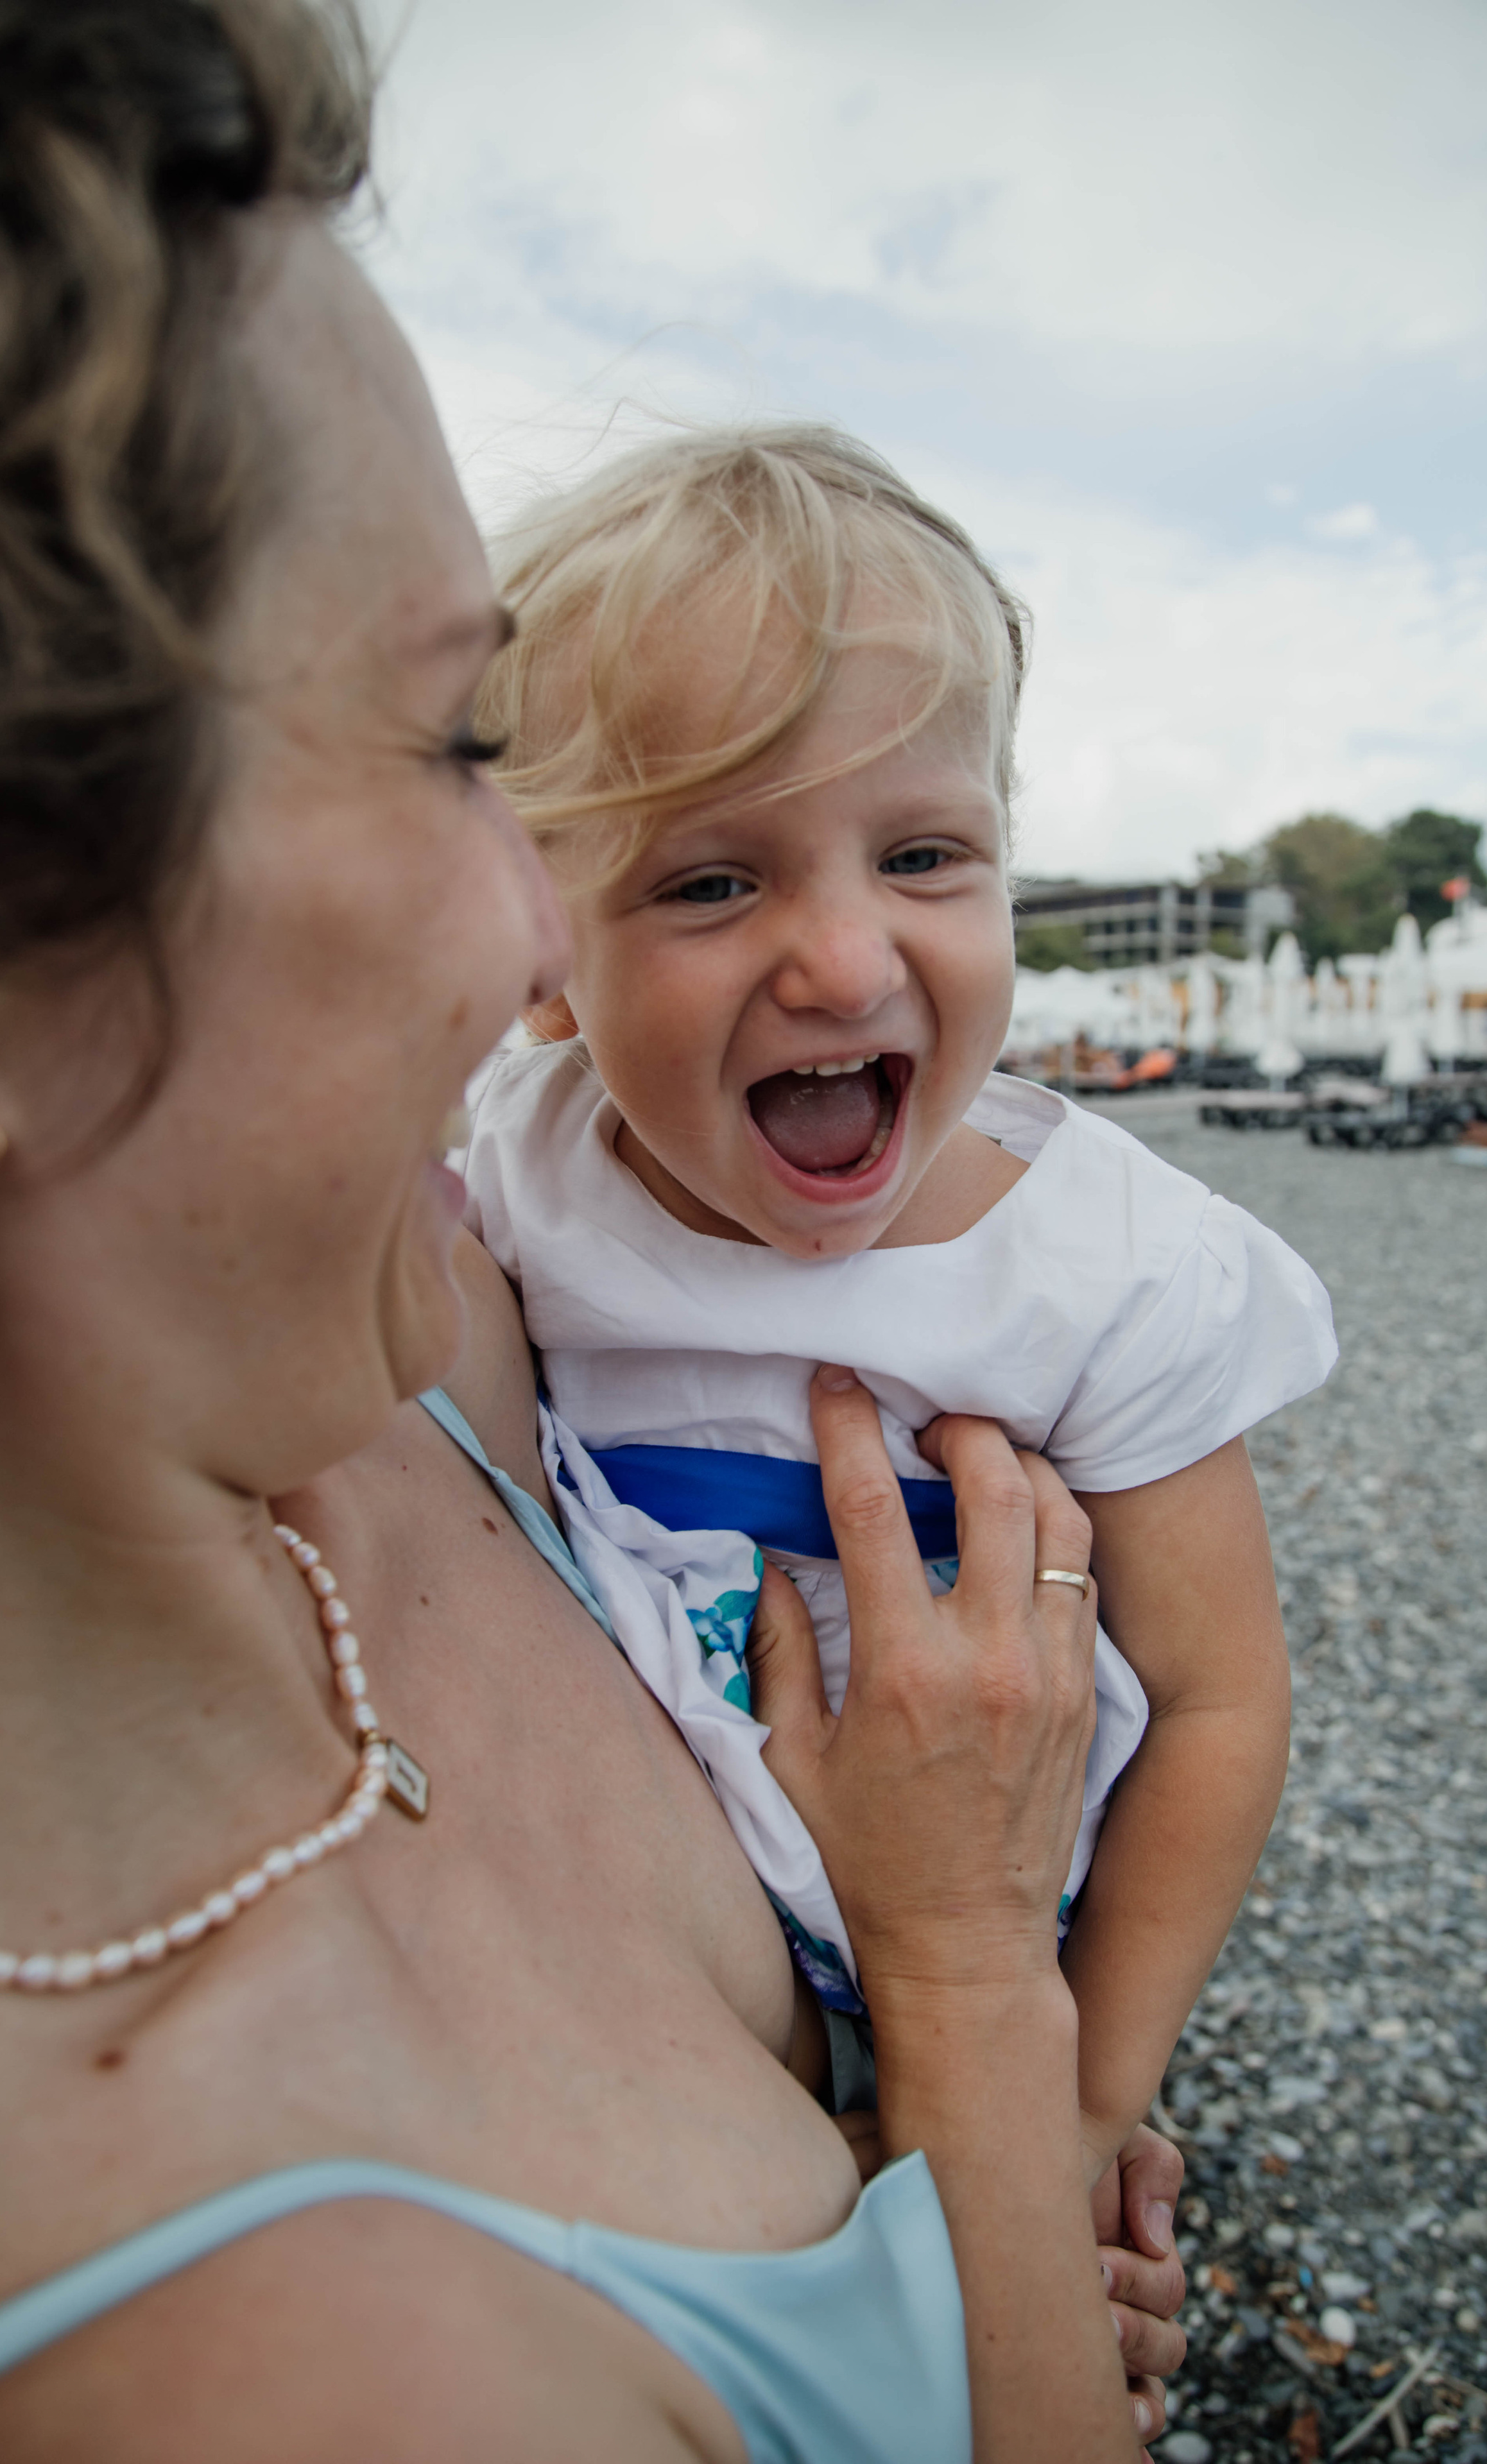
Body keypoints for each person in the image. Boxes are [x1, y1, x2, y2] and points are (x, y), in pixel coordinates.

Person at [0, 4, 1186, 2458]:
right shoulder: (283, 2383)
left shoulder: (458, 1347)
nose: (545, 951)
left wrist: (969, 2189)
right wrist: (962, 2001)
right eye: (447, 749)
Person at [463, 425, 1338, 2174]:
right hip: (657, 1973)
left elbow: (1225, 1700)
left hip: (1003, 1944)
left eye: (926, 857)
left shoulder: (1110, 1271)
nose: (848, 959)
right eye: (713, 880)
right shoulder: (514, 1177)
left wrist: (1086, 2101)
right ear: (541, 967)